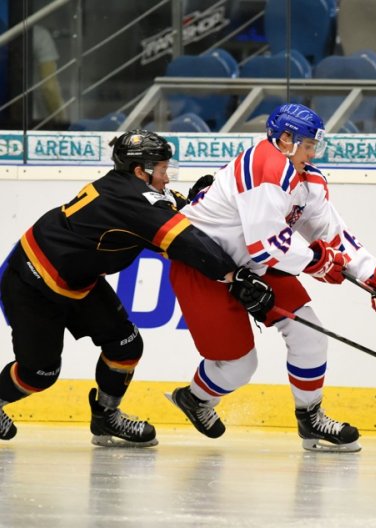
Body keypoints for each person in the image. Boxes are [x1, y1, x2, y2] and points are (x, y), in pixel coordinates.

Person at [0, 129, 273, 447]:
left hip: (78, 282)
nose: (168, 178)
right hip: (32, 285)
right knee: (39, 374)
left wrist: (205, 201)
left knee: (126, 346)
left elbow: (175, 210)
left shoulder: (134, 190)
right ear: (140, 171)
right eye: (162, 170)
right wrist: (234, 275)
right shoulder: (130, 200)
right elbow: (186, 239)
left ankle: (105, 417)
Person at [167, 103, 376, 452]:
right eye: (308, 144)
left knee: (311, 336)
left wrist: (373, 273)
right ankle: (194, 398)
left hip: (251, 266)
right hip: (205, 269)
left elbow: (333, 237)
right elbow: (266, 244)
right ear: (285, 139)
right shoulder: (265, 165)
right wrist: (315, 261)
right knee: (239, 368)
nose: (313, 153)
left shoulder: (308, 180)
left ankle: (310, 419)